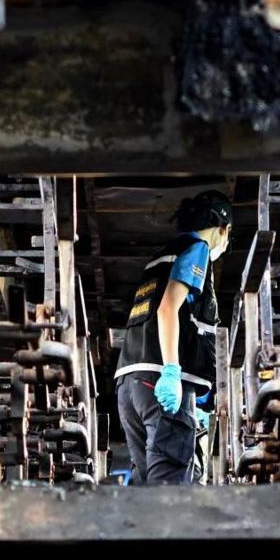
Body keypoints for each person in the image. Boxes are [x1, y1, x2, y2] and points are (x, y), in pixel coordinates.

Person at [115, 189, 233, 485]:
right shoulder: (197, 248)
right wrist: (171, 371)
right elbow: (168, 308)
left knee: (148, 489)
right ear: (223, 228)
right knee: (170, 490)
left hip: (130, 386)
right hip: (161, 385)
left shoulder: (159, 258)